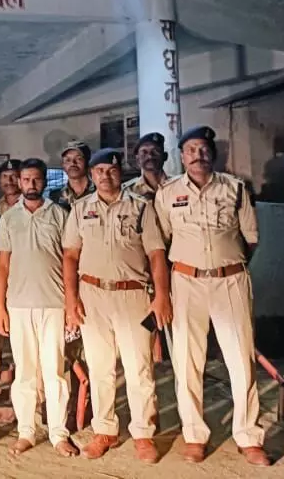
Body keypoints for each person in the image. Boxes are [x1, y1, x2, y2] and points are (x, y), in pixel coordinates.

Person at [155, 126, 270, 467]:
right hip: (185, 282)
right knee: (187, 361)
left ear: (213, 153)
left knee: (241, 360)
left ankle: (248, 437)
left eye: (203, 148)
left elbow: (251, 238)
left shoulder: (235, 188)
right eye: (191, 149)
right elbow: (161, 241)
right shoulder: (168, 193)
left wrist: (224, 263)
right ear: (182, 156)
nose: (198, 155)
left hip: (230, 281)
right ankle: (194, 436)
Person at [63, 148, 171, 464]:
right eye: (99, 171)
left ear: (120, 172)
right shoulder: (80, 209)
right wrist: (71, 298)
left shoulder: (141, 207)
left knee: (139, 368)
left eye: (111, 171)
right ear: (92, 174)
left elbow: (156, 255)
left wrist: (161, 296)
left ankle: (143, 434)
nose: (105, 176)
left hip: (133, 295)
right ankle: (105, 430)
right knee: (100, 368)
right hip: (92, 295)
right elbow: (70, 255)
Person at [0, 158, 77, 457]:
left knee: (55, 372)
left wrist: (71, 304)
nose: (31, 184)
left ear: (44, 181)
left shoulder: (60, 215)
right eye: (26, 179)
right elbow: (2, 266)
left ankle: (58, 433)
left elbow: (70, 260)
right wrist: (0, 308)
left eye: (36, 179)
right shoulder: (8, 218)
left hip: (54, 304)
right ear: (19, 181)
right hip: (18, 306)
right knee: (25, 372)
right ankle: (26, 432)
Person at [122, 132, 170, 199]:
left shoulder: (178, 185)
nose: (150, 156)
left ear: (165, 156)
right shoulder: (128, 192)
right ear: (137, 160)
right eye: (144, 152)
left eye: (155, 151)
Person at [52, 141, 95, 210]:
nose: (72, 163)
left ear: (88, 162)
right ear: (63, 164)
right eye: (68, 160)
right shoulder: (55, 196)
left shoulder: (99, 192)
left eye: (78, 159)